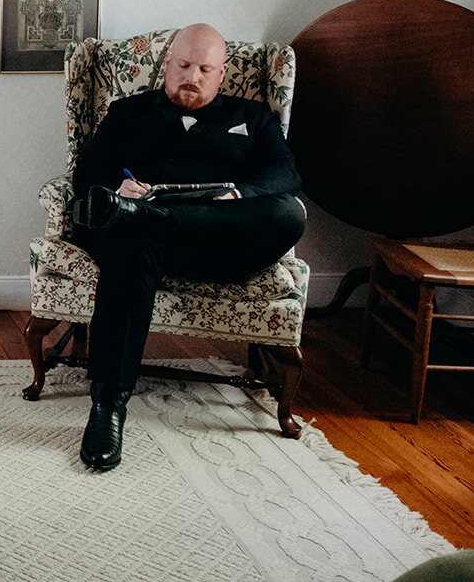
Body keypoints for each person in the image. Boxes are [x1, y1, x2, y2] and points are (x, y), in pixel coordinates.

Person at [69, 23, 305, 470]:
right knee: (130, 235)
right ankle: (107, 406)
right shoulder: (127, 112)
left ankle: (152, 217)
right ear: (165, 64)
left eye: (203, 68)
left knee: (288, 213)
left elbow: (286, 175)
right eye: (181, 65)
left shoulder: (253, 117)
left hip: (217, 241)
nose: (190, 77)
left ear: (223, 72)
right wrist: (119, 184)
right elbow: (87, 173)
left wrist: (238, 196)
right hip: (139, 239)